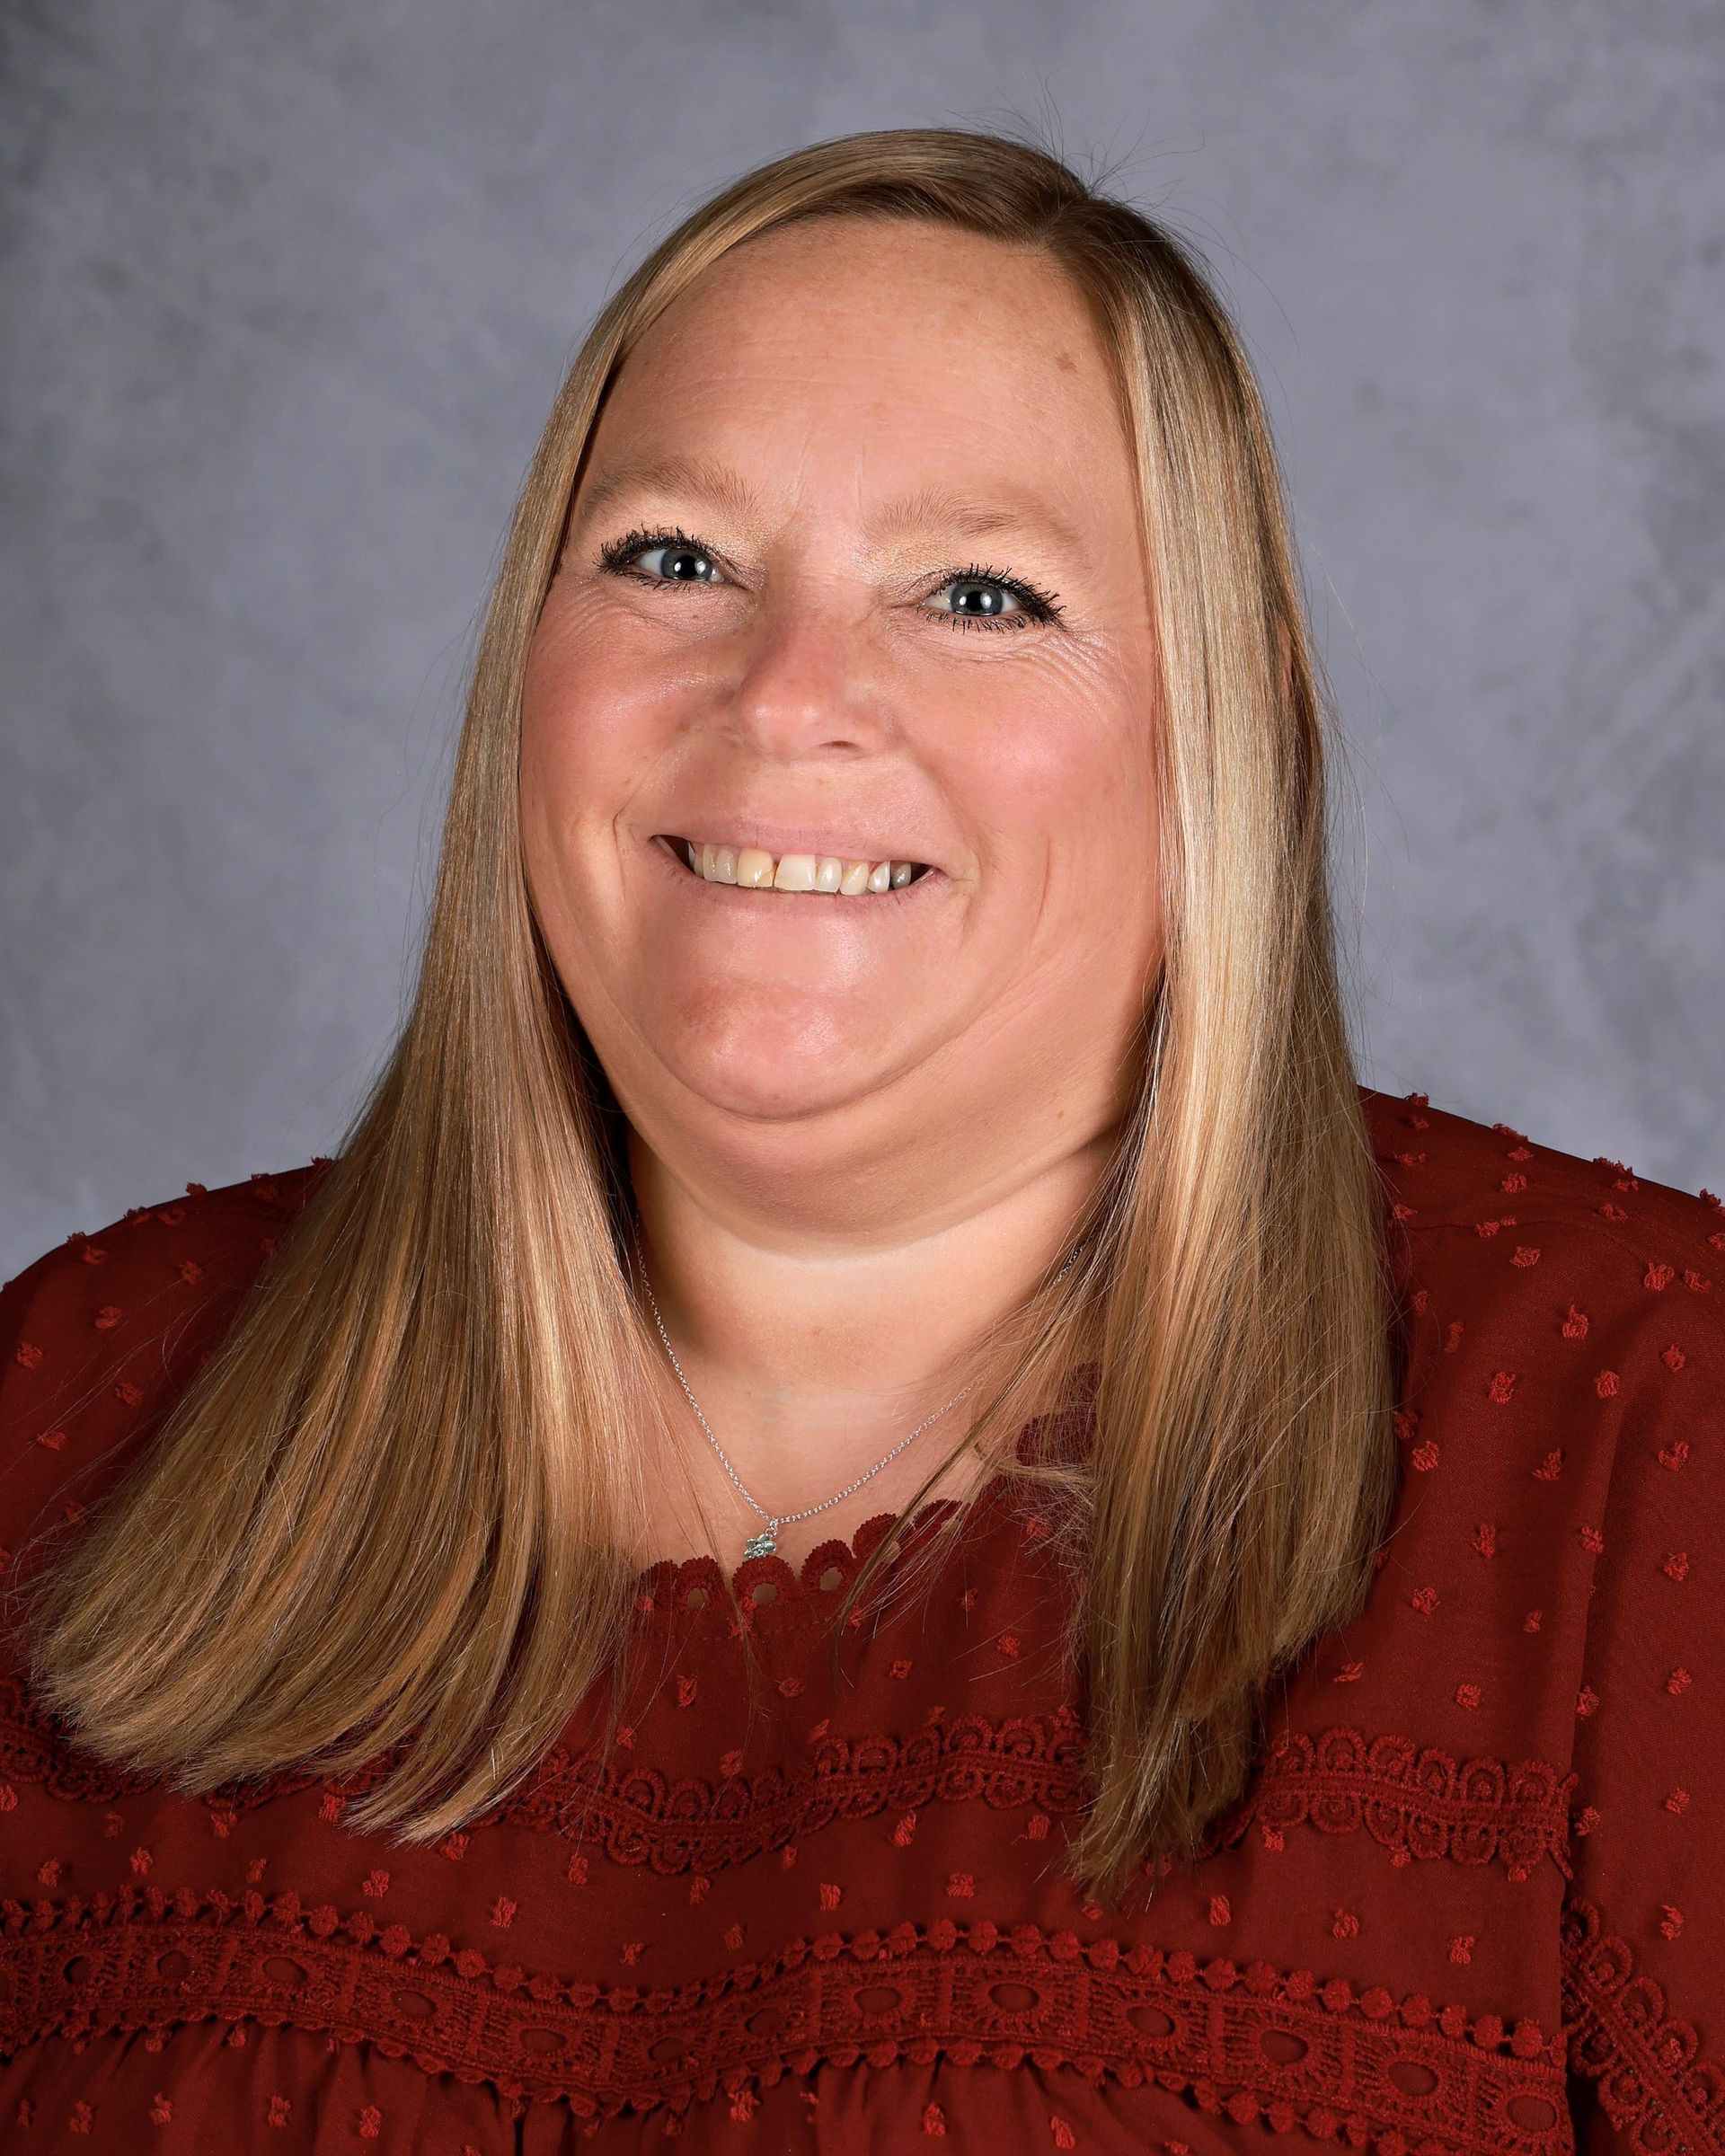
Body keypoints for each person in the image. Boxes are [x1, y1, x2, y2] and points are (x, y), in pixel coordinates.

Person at [0, 125, 1719, 2156]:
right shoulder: (71, 1406)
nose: (788, 695)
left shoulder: (1643, 1440)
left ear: (1226, 737)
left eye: (982, 593)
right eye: (673, 558)